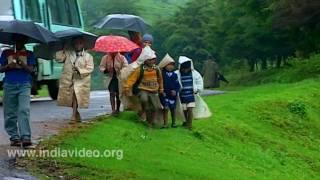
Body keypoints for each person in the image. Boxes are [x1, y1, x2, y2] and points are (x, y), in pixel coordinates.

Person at [0, 35, 35, 146]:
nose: (19, 43)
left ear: (25, 41)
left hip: (24, 84)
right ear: (13, 41)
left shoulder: (29, 54)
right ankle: (14, 137)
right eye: (17, 41)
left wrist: (22, 63)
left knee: (24, 109)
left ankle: (25, 136)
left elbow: (31, 70)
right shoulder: (6, 53)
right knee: (9, 112)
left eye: (21, 40)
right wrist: (8, 66)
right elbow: (0, 69)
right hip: (9, 84)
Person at [55, 36, 94, 123]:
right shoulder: (68, 54)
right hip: (69, 79)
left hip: (80, 80)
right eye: (76, 43)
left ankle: (73, 115)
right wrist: (63, 48)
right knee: (70, 97)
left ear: (83, 44)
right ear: (73, 44)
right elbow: (59, 59)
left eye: (80, 43)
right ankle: (75, 112)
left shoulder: (88, 56)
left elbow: (90, 68)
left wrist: (79, 70)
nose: (78, 45)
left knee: (76, 96)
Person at [123, 46, 163, 128]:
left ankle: (151, 122)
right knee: (144, 100)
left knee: (156, 107)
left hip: (154, 90)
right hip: (143, 89)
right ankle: (146, 116)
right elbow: (132, 79)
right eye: (150, 60)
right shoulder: (140, 69)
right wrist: (127, 87)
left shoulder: (157, 69)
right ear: (145, 60)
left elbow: (160, 79)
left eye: (153, 59)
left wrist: (161, 88)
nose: (152, 61)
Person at [176, 56, 204, 130]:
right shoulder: (177, 74)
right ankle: (185, 121)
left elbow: (199, 82)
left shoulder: (195, 74)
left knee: (190, 109)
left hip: (191, 95)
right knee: (184, 110)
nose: (185, 70)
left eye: (187, 68)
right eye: (183, 69)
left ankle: (190, 125)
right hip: (182, 96)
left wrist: (198, 89)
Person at [158, 54, 180, 128]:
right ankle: (165, 123)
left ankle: (174, 123)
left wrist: (175, 91)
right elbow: (159, 84)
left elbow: (178, 85)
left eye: (172, 65)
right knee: (165, 108)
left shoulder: (175, 75)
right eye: (168, 65)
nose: (170, 67)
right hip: (164, 95)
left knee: (173, 109)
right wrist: (161, 91)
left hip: (172, 96)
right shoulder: (162, 74)